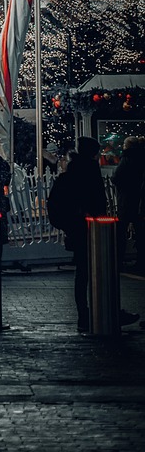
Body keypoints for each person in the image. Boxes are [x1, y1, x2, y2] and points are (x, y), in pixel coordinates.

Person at [54, 137, 139, 332]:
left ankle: (85, 314)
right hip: (93, 227)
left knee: (83, 273)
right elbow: (96, 200)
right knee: (101, 270)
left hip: (78, 228)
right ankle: (106, 310)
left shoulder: (73, 169)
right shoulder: (89, 169)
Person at [113, 136, 145, 272]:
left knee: (121, 231)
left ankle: (118, 260)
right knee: (140, 231)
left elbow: (117, 178)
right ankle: (141, 260)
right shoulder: (142, 158)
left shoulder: (126, 159)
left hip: (127, 199)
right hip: (139, 199)